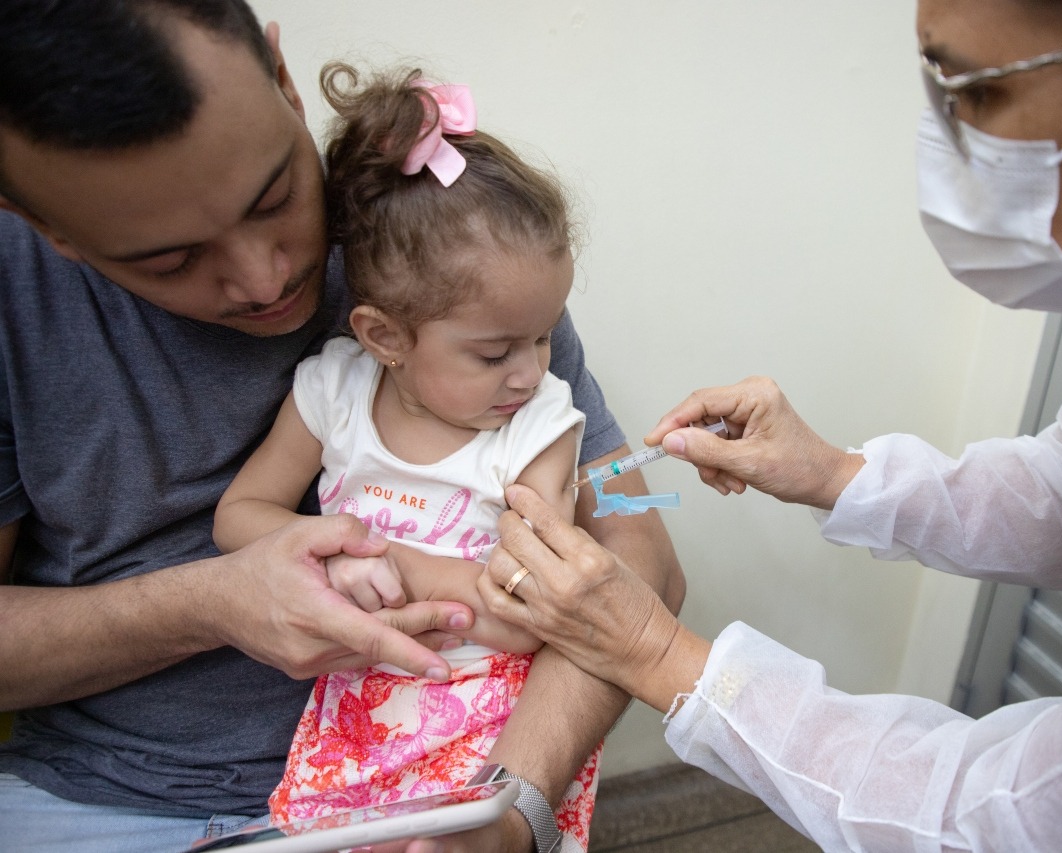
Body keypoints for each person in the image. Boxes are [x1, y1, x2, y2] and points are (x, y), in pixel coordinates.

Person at [477, 1, 1062, 849]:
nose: (945, 136)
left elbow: (995, 823)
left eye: (977, 89)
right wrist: (831, 472)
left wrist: (654, 649)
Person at [0, 2, 683, 852]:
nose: (266, 277)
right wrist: (208, 602)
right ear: (45, 228)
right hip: (107, 794)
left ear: (283, 79)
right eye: (169, 258)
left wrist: (509, 811)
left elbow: (638, 556)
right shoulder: (19, 303)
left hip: (451, 785)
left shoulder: (456, 254)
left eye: (275, 195)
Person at [213, 64, 598, 850]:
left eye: (542, 335)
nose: (531, 370)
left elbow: (530, 616)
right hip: (358, 715)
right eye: (496, 352)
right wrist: (327, 560)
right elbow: (239, 518)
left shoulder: (537, 428)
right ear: (383, 336)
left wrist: (397, 566)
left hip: (488, 727)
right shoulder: (333, 396)